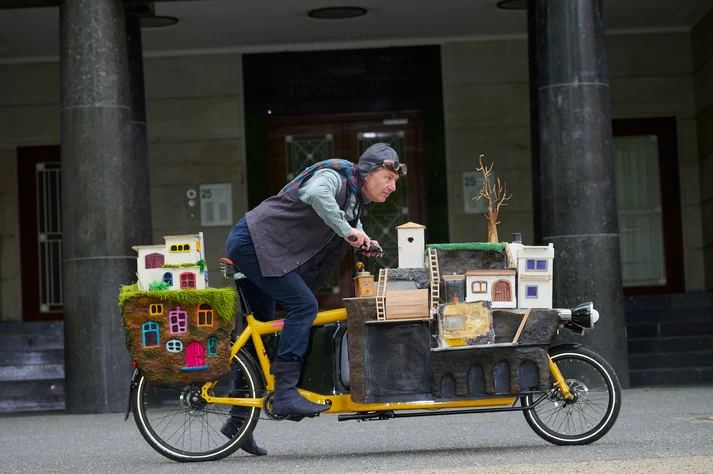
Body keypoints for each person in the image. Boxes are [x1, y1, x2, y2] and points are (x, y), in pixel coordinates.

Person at [220, 143, 406, 455]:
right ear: (370, 172)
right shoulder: (335, 175)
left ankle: (238, 423)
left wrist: (363, 239)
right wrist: (349, 231)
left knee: (259, 339)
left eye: (395, 182)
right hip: (254, 244)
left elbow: (348, 220)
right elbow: (317, 196)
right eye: (388, 178)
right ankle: (286, 393)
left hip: (265, 248)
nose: (392, 187)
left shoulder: (354, 198)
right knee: (304, 305)